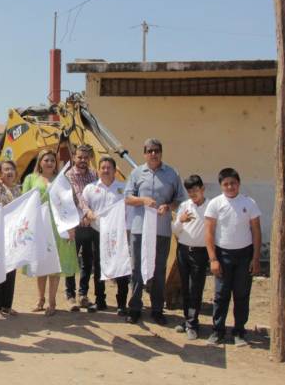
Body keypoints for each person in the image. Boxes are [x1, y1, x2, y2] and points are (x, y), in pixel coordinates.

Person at [125, 138, 186, 325]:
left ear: (161, 153)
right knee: (136, 269)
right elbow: (127, 198)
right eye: (150, 150)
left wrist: (168, 206)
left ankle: (157, 309)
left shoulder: (172, 173)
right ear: (144, 153)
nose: (153, 154)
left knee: (159, 270)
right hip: (139, 229)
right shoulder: (136, 173)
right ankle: (134, 308)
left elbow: (180, 199)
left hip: (161, 230)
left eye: (157, 150)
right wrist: (142, 200)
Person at [204, 167, 262, 346]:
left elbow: (256, 231)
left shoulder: (249, 203)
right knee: (221, 295)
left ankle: (239, 332)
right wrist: (213, 259)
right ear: (221, 186)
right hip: (223, 255)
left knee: (242, 294)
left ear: (239, 184)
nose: (230, 187)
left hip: (244, 255)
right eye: (226, 184)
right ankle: (218, 331)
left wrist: (255, 257)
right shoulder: (215, 204)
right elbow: (209, 233)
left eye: (233, 183)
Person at [22, 149, 78, 317]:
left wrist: (71, 227)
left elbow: (69, 204)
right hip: (39, 225)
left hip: (58, 226)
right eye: (46, 160)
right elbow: (24, 202)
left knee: (55, 264)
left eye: (52, 160)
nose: (49, 163)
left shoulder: (62, 180)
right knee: (41, 263)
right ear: (40, 162)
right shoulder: (31, 179)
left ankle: (52, 301)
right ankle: (40, 299)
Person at [81, 156, 131, 317]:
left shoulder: (124, 189)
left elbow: (129, 209)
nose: (106, 170)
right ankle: (100, 301)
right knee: (99, 267)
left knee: (121, 268)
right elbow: (83, 204)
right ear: (98, 170)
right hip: (98, 233)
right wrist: (88, 212)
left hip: (118, 234)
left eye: (109, 167)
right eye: (103, 167)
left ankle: (122, 304)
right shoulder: (90, 188)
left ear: (115, 170)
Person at [171, 175, 210, 340]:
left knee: (196, 288)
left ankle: (193, 324)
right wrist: (181, 220)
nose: (193, 194)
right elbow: (175, 230)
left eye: (196, 190)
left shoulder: (210, 206)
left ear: (202, 189)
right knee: (185, 288)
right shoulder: (185, 206)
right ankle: (187, 319)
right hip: (183, 251)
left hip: (201, 253)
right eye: (189, 191)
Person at [65, 145, 100, 312]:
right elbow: (79, 196)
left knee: (87, 260)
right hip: (74, 225)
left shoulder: (94, 174)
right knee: (71, 261)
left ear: (90, 158)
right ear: (74, 157)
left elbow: (97, 195)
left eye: (86, 157)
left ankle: (83, 294)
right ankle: (70, 296)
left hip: (90, 225)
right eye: (80, 157)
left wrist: (91, 216)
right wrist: (87, 213)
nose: (83, 161)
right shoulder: (69, 176)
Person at [0, 160, 21, 318]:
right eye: (6, 169)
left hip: (12, 235)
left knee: (11, 270)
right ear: (0, 173)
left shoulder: (17, 189)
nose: (9, 172)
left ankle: (7, 305)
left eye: (12, 169)